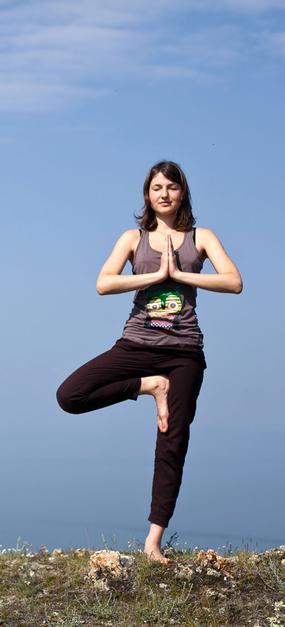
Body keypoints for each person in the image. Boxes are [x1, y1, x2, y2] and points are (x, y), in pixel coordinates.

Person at [56, 160, 243, 564]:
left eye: (171, 187)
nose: (164, 194)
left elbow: (234, 281)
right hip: (136, 345)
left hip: (184, 352)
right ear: (147, 194)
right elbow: (104, 283)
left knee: (172, 441)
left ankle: (153, 541)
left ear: (182, 194)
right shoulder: (132, 239)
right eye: (157, 187)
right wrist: (155, 276)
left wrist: (182, 274)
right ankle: (149, 385)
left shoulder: (201, 237)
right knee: (70, 395)